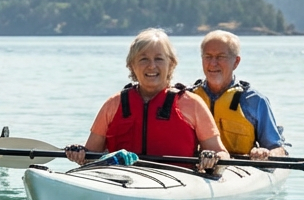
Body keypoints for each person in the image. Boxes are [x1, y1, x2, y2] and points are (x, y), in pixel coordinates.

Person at [65, 28, 228, 172]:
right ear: (131, 65)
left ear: (171, 64)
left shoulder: (192, 104)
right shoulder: (113, 104)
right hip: (119, 181)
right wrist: (79, 153)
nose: (151, 66)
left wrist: (212, 158)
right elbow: (90, 156)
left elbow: (222, 154)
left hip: (177, 183)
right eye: (143, 59)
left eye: (159, 59)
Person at [191, 30, 287, 160]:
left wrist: (266, 153)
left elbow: (277, 148)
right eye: (208, 56)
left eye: (220, 57)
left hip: (240, 170)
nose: (213, 63)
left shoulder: (255, 101)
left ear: (236, 62)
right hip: (196, 170)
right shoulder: (188, 98)